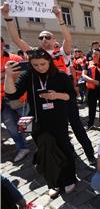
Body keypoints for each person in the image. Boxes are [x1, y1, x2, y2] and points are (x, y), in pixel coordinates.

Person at [1, 2, 96, 165]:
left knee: (77, 127)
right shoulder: (36, 54)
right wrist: (7, 16)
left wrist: (60, 17)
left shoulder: (61, 52)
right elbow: (16, 39)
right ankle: (69, 155)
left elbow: (68, 38)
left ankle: (90, 154)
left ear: (54, 40)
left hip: (65, 96)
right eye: (41, 38)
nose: (44, 40)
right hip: (46, 100)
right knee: (60, 131)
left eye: (48, 37)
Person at [5, 48, 77, 198]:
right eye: (35, 65)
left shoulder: (60, 76)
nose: (40, 67)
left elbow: (71, 96)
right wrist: (8, 76)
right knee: (45, 154)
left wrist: (55, 95)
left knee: (64, 149)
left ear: (49, 61)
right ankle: (53, 183)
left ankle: (69, 178)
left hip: (58, 121)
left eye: (43, 64)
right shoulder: (28, 76)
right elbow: (12, 94)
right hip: (38, 123)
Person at [0, 37, 30, 162]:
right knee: (11, 126)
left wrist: (6, 76)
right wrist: (6, 75)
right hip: (2, 101)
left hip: (18, 99)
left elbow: (20, 78)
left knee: (27, 124)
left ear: (2, 43)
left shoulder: (15, 59)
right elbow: (9, 77)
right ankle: (22, 148)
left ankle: (42, 145)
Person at [82, 49, 100, 128]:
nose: (95, 55)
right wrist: (93, 81)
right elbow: (83, 75)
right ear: (91, 55)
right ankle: (90, 124)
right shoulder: (87, 64)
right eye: (94, 54)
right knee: (92, 107)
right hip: (92, 89)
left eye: (97, 54)